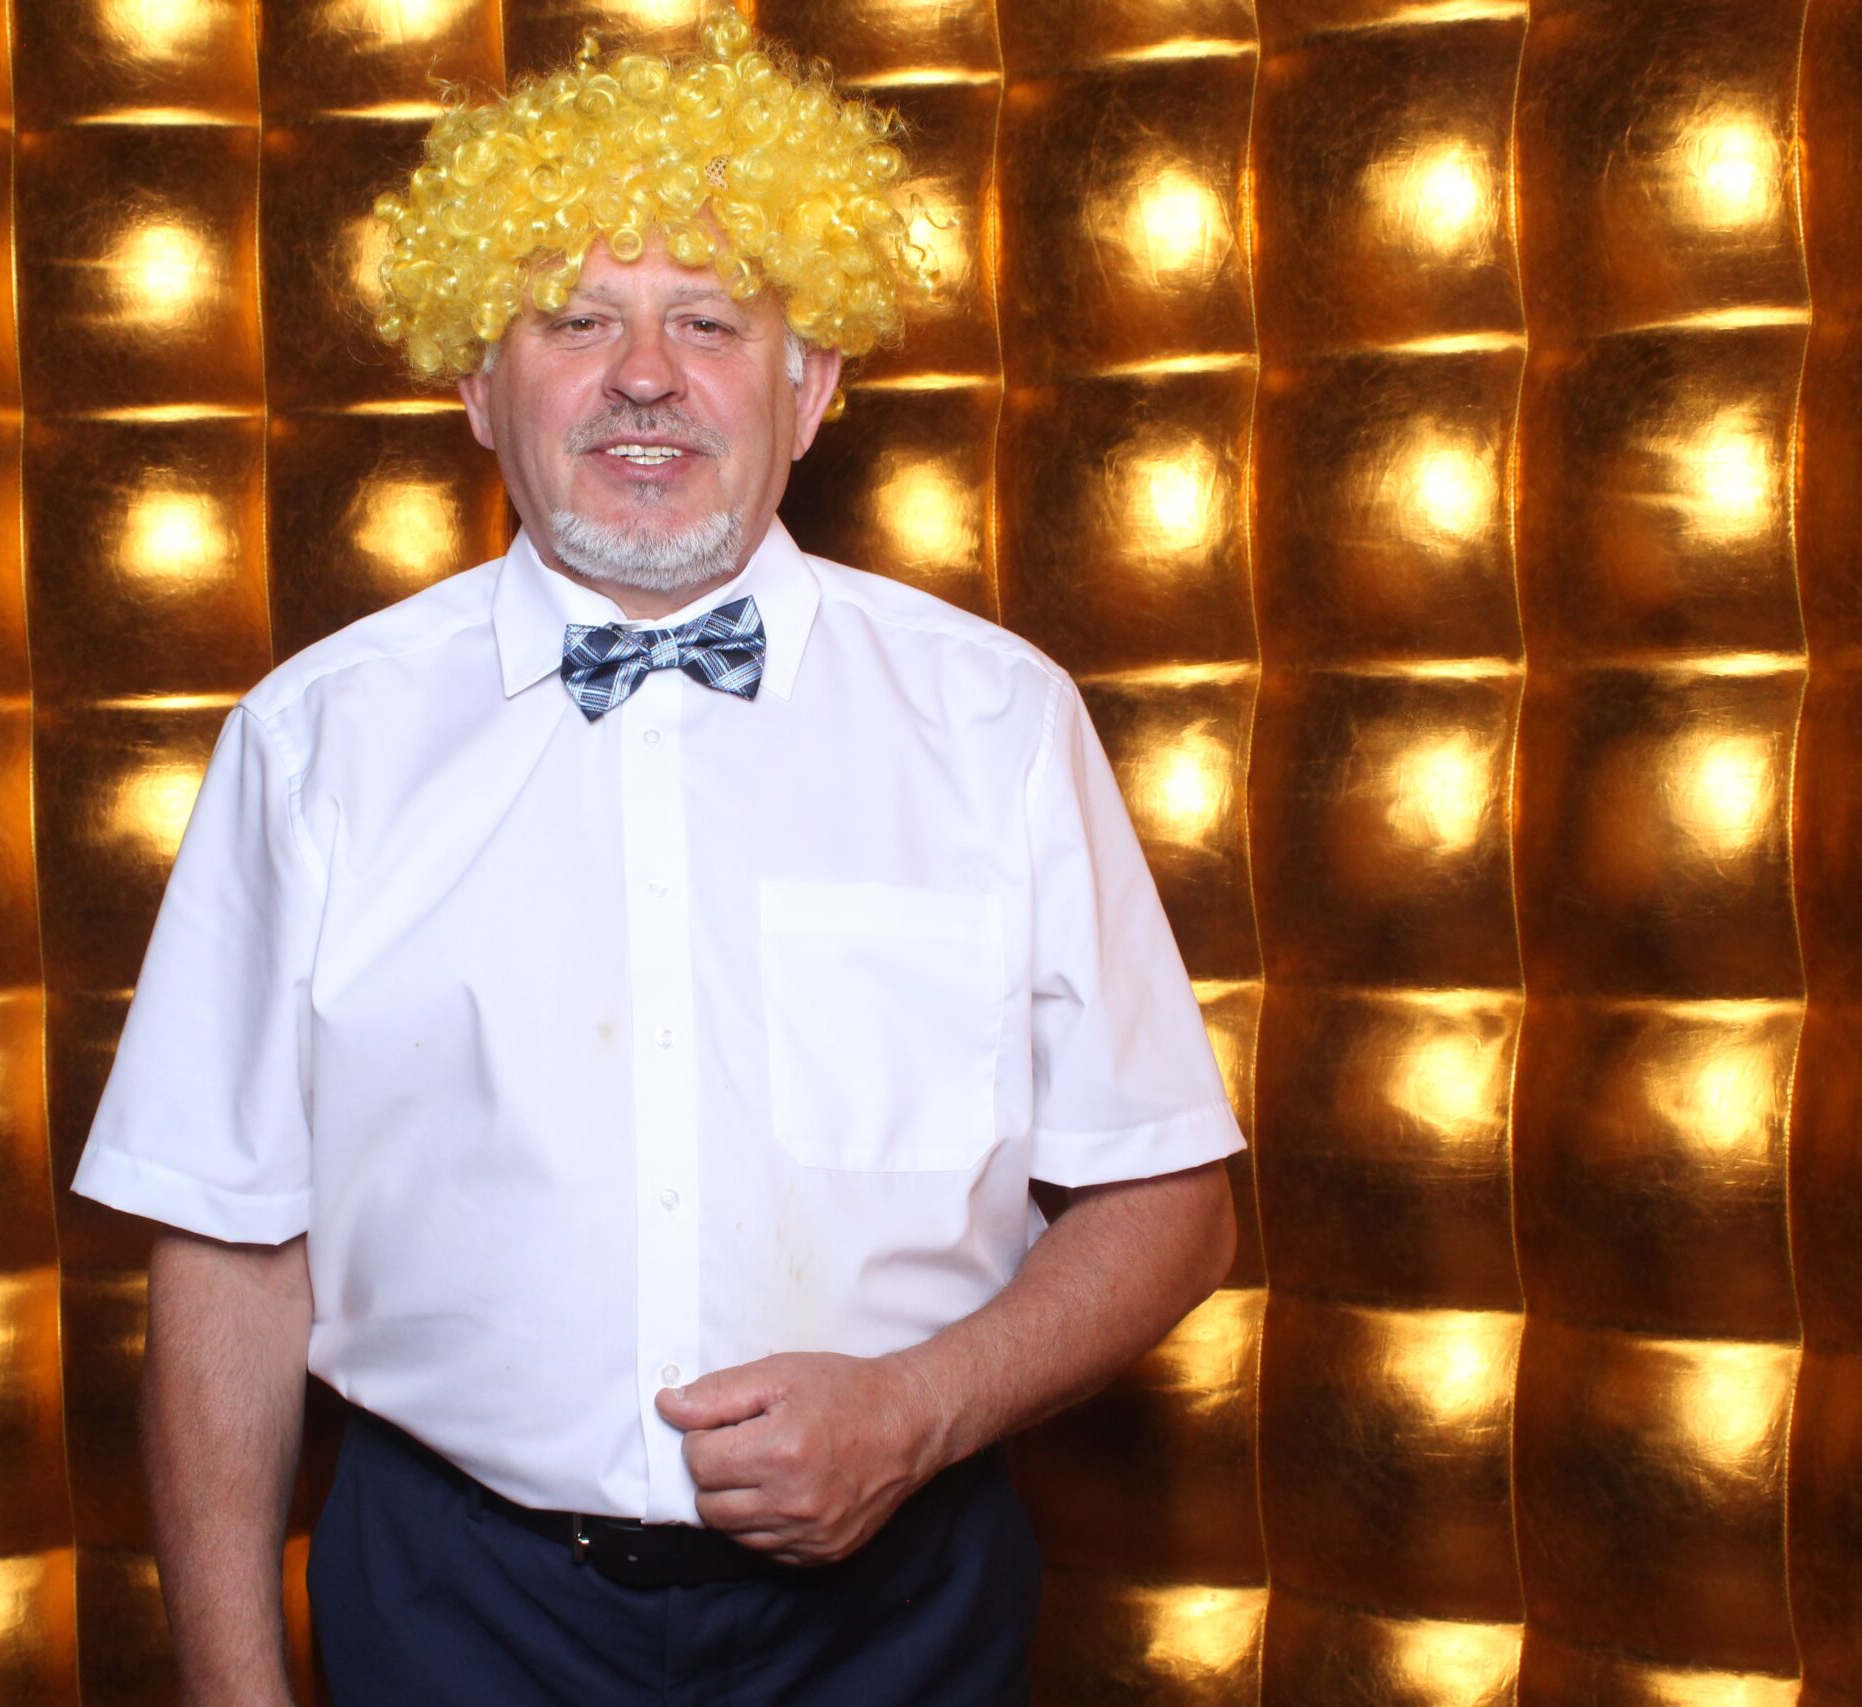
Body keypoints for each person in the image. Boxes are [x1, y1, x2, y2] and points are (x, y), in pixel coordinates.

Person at [72, 13, 1243, 1704]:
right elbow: (226, 1252)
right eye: (576, 320)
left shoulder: (997, 719)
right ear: (478, 385)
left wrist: (918, 1410)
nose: (643, 374)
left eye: (707, 319)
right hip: (454, 1609)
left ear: (809, 385)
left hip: (901, 1621)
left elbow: (1171, 1205)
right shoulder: (313, 741)